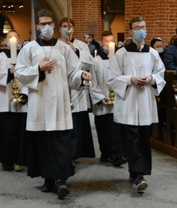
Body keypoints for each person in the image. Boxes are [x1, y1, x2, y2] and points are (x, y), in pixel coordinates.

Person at [15, 9, 91, 199]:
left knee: (61, 141)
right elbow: (20, 72)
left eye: (50, 24)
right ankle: (48, 179)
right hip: (39, 101)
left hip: (59, 102)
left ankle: (61, 180)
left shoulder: (63, 48)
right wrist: (38, 69)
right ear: (37, 27)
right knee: (43, 143)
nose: (47, 27)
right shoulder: (29, 48)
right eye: (43, 24)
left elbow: (73, 71)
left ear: (54, 26)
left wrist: (81, 75)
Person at [109, 16, 166, 193]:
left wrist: (151, 78)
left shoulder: (152, 53)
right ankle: (137, 173)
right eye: (137, 27)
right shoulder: (122, 53)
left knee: (143, 137)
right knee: (131, 137)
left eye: (143, 26)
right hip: (129, 100)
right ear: (131, 31)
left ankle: (138, 172)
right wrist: (130, 79)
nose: (141, 30)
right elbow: (112, 77)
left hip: (145, 100)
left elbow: (161, 74)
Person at [58, 16, 96, 161]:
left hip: (78, 88)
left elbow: (89, 64)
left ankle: (75, 153)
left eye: (70, 26)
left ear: (73, 29)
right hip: (62, 85)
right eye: (64, 26)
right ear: (59, 29)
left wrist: (76, 52)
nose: (67, 29)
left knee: (77, 123)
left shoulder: (81, 45)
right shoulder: (56, 45)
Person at [0, 32, 28, 171]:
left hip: (21, 102)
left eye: (15, 37)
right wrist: (8, 72)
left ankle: (20, 160)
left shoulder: (24, 56)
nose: (12, 40)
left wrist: (25, 93)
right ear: (5, 40)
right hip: (4, 100)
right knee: (6, 132)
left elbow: (29, 75)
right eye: (9, 37)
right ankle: (7, 160)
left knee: (20, 132)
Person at [90, 31, 126, 166]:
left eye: (112, 41)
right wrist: (100, 97)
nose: (109, 44)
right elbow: (93, 82)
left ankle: (117, 155)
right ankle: (106, 154)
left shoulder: (118, 59)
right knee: (104, 130)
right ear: (101, 42)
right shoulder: (96, 61)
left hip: (117, 100)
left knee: (116, 129)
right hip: (102, 102)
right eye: (106, 41)